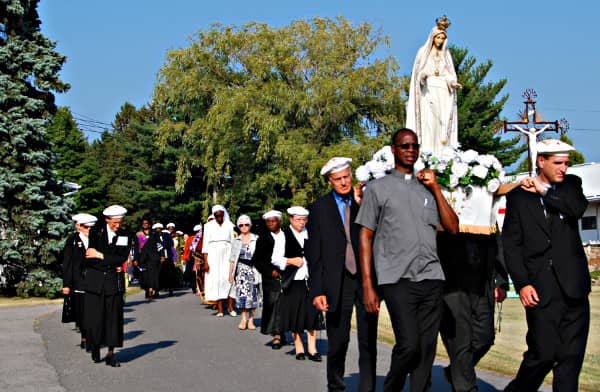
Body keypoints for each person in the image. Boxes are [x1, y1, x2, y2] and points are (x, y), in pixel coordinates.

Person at [356, 128, 459, 391]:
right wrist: (368, 286)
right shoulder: (377, 189)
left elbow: (453, 227)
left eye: (414, 145)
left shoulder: (426, 190)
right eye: (405, 146)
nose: (410, 150)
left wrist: (436, 187)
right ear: (394, 150)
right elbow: (365, 237)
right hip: (396, 278)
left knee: (426, 349)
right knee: (409, 345)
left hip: (432, 277)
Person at [502, 139, 590, 392]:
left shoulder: (572, 186)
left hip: (574, 287)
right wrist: (522, 283)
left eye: (566, 163)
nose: (563, 168)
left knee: (570, 360)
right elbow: (512, 244)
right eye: (557, 163)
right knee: (543, 354)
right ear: (542, 161)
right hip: (540, 288)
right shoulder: (518, 197)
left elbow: (576, 209)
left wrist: (542, 190)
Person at [306, 157, 379, 392]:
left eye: (347, 176)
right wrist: (317, 290)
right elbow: (314, 253)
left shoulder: (364, 201)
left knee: (368, 340)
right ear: (330, 181)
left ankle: (367, 387)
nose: (344, 182)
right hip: (336, 283)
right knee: (338, 341)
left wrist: (363, 203)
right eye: (338, 179)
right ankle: (335, 386)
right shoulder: (319, 208)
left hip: (365, 279)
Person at [406, 15, 461, 155]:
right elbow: (418, 74)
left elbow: (448, 74)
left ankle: (442, 153)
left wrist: (452, 82)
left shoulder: (446, 55)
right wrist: (423, 75)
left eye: (443, 38)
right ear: (432, 38)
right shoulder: (423, 53)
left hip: (443, 91)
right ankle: (428, 151)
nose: (440, 41)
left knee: (442, 123)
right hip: (428, 91)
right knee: (430, 122)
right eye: (438, 37)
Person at [84, 205, 130, 367]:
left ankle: (111, 353)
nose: (117, 226)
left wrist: (100, 255)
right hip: (95, 280)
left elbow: (121, 258)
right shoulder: (97, 232)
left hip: (113, 281)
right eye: (114, 223)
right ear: (107, 220)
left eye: (120, 222)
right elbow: (90, 256)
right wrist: (107, 260)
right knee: (95, 317)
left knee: (113, 318)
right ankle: (95, 345)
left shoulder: (125, 235)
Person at [253, 210, 303, 349]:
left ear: (279, 222)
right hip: (271, 278)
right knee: (273, 304)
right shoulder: (263, 238)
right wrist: (270, 271)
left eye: (273, 221)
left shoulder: (288, 235)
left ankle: (286, 332)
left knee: (286, 304)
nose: (270, 224)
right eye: (268, 221)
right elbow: (257, 260)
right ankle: (276, 335)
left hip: (288, 274)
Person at [279, 206, 323, 362]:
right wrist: (290, 261)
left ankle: (312, 348)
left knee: (312, 314)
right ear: (291, 219)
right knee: (296, 315)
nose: (302, 223)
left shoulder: (311, 234)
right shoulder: (283, 235)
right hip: (294, 280)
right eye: (298, 220)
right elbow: (275, 259)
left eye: (304, 220)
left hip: (311, 280)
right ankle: (299, 347)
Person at [62, 213, 98, 350]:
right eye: (87, 227)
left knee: (94, 311)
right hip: (79, 280)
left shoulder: (98, 240)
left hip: (95, 280)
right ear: (80, 227)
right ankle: (84, 335)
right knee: (82, 311)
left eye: (91, 227)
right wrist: (66, 284)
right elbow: (67, 263)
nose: (89, 230)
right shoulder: (72, 240)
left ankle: (92, 335)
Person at [202, 205, 236, 316]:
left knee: (229, 279)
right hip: (213, 254)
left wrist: (233, 259)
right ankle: (220, 309)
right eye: (217, 215)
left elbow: (233, 242)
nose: (219, 217)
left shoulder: (229, 225)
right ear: (214, 215)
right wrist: (206, 262)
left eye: (221, 215)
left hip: (227, 252)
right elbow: (205, 246)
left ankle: (231, 307)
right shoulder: (208, 226)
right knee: (216, 280)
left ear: (224, 214)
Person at [230, 215, 260, 330]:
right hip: (241, 269)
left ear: (250, 225)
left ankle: (251, 319)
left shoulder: (256, 238)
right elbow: (232, 259)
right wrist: (230, 274)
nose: (244, 227)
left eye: (246, 224)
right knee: (242, 295)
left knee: (253, 296)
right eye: (241, 225)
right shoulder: (236, 240)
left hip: (254, 269)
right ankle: (243, 318)